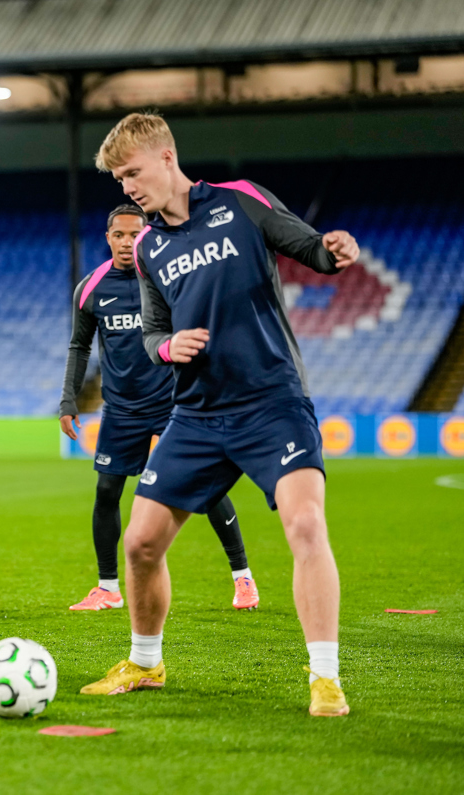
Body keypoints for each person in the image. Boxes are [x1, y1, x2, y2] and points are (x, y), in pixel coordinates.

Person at [79, 113, 357, 718]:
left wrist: (334, 251)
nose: (127, 187)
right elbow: (153, 330)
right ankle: (145, 663)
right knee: (140, 542)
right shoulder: (148, 247)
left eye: (132, 173)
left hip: (272, 402)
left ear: (167, 157)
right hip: (198, 414)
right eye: (119, 179)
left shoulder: (241, 201)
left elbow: (311, 248)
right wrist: (166, 347)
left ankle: (326, 677)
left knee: (305, 524)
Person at [60, 204, 257, 612]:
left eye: (135, 235)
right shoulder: (91, 288)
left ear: (146, 236)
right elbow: (79, 346)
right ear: (108, 237)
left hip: (175, 404)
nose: (126, 243)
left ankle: (243, 577)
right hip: (121, 410)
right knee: (106, 491)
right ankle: (108, 588)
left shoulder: (168, 277)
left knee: (209, 488)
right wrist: (68, 399)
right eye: (119, 235)